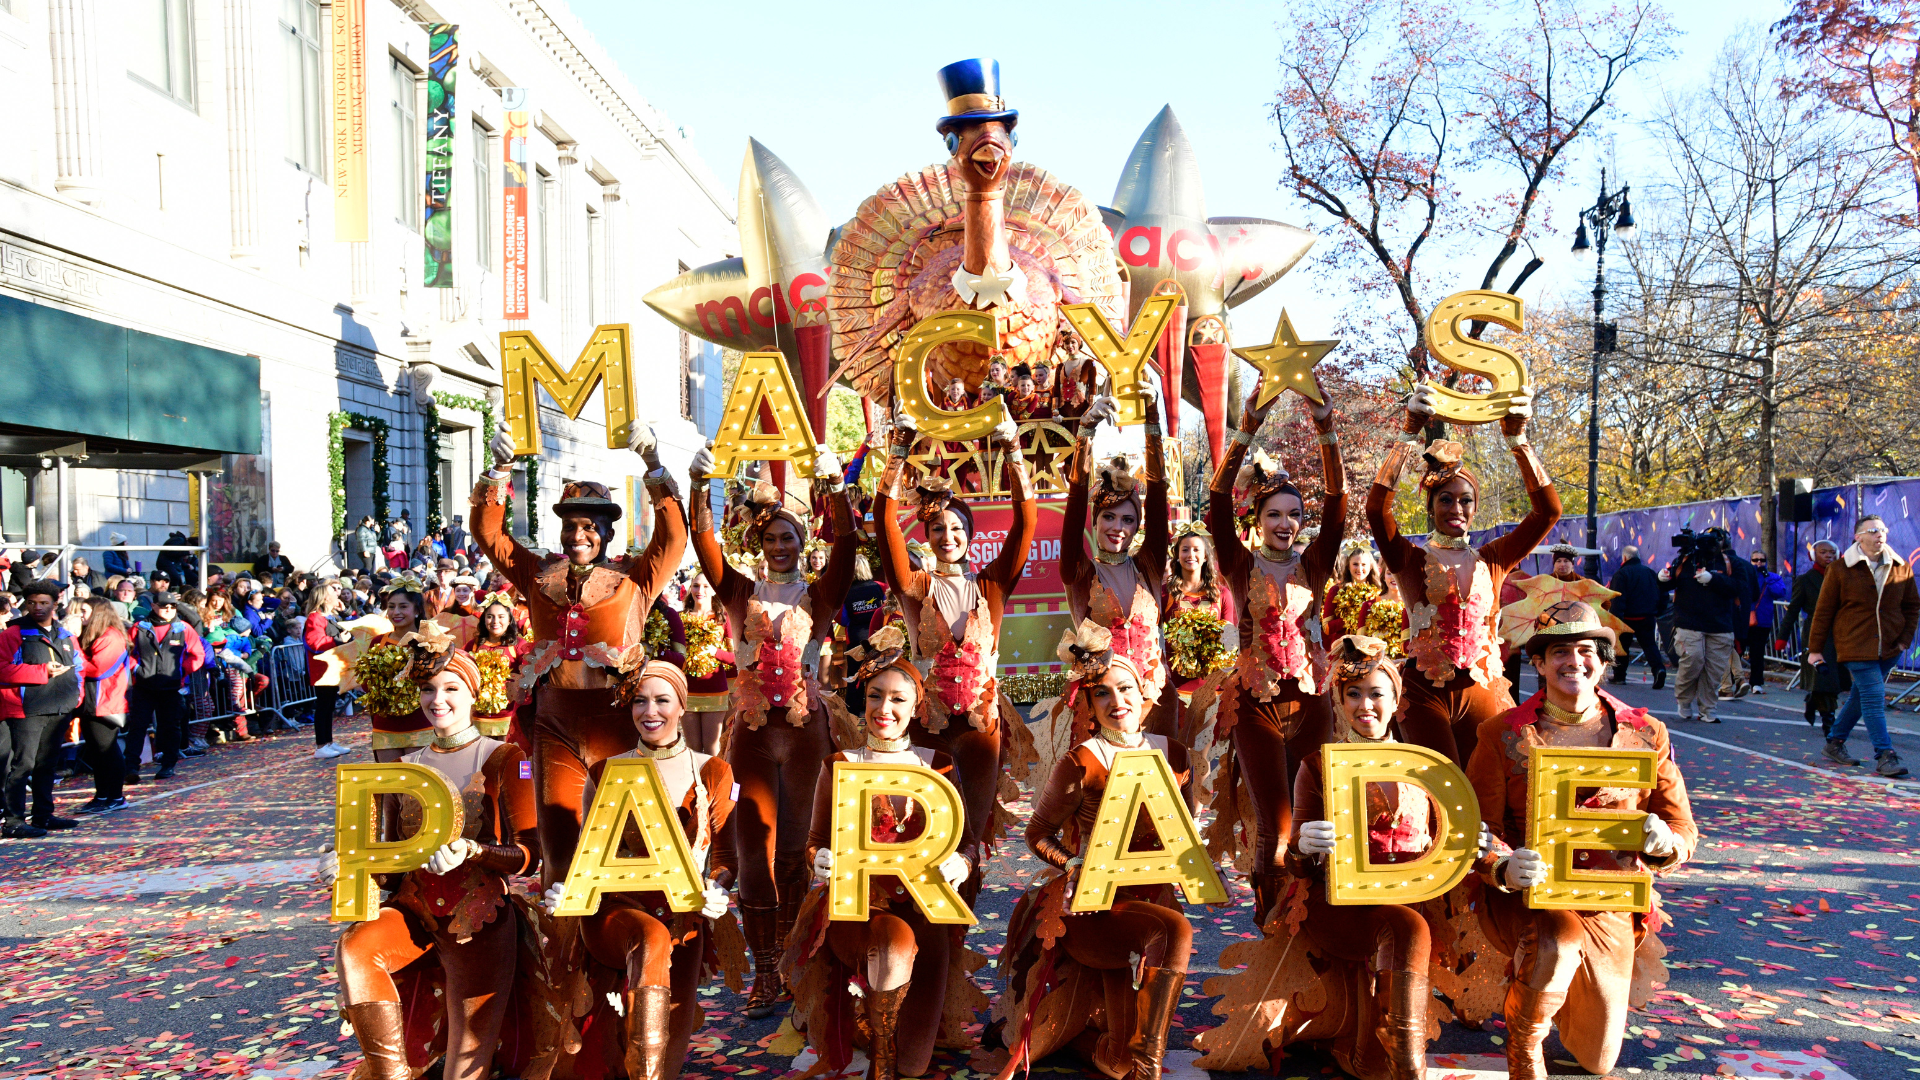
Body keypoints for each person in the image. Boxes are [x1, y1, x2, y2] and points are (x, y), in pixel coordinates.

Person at [1468, 601, 1696, 1080]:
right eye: (1560, 652)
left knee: (1597, 1059)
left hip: (1607, 899)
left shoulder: (1646, 733)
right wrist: (1504, 866)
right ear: (1538, 663)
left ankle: (1552, 993)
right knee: (1557, 940)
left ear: (1604, 660)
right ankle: (1525, 1044)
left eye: (1587, 650)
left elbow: (1682, 828)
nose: (1575, 661)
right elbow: (1476, 832)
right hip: (1530, 896)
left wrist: (1664, 842)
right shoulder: (1500, 734)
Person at [475, 418, 687, 920]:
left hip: (618, 720)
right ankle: (564, 951)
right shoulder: (537, 574)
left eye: (590, 526)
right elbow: (489, 534)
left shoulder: (636, 577)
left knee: (625, 837)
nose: (578, 535)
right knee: (560, 838)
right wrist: (498, 469)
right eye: (570, 526)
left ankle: (629, 931)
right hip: (555, 721)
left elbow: (674, 539)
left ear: (608, 532)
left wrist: (654, 466)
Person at [316, 637, 540, 1080]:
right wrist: (347, 866)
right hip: (413, 913)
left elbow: (530, 857)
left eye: (451, 688)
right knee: (356, 947)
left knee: (465, 1066)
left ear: (474, 694)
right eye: (428, 689)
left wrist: (475, 851)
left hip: (480, 921)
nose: (438, 700)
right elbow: (391, 866)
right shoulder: (403, 765)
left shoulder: (507, 758)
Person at [685, 440, 854, 1017]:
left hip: (807, 734)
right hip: (753, 737)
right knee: (754, 850)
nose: (780, 547)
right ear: (760, 545)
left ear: (802, 544)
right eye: (772, 539)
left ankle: (792, 961)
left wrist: (834, 488)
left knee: (797, 850)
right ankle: (764, 970)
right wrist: (698, 485)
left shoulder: (820, 595)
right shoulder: (739, 593)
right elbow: (705, 546)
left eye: (789, 538)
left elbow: (848, 547)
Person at [996, 633, 1194, 1080]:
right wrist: (1073, 864)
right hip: (1096, 907)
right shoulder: (1081, 760)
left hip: (1155, 897)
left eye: (1124, 688)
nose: (1116, 701)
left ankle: (1099, 1043)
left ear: (1143, 691)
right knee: (1172, 932)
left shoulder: (1175, 753)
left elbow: (1184, 831)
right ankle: (1138, 1064)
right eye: (1102, 693)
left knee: (1121, 1058)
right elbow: (1037, 833)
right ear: (1088, 703)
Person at [787, 627, 975, 1080]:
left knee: (917, 1065)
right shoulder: (839, 765)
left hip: (924, 909)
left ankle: (877, 1026)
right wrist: (819, 858)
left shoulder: (938, 764)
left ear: (916, 707)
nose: (884, 709)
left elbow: (967, 840)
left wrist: (963, 861)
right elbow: (814, 839)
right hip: (860, 910)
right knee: (891, 948)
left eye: (897, 699)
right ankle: (878, 1055)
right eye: (875, 696)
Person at [538, 658, 736, 1080]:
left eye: (662, 700)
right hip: (616, 912)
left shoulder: (713, 770)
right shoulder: (605, 770)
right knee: (648, 943)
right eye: (639, 701)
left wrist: (717, 888)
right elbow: (587, 852)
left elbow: (725, 859)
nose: (650, 712)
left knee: (664, 1066)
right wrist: (569, 889)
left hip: (683, 918)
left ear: (683, 706)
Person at [873, 408, 1034, 905]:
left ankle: (960, 933)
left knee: (969, 842)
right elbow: (883, 523)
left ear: (970, 534)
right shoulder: (914, 586)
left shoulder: (993, 584)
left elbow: (1026, 523)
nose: (948, 537)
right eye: (938, 529)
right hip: (928, 726)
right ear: (926, 536)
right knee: (925, 832)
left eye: (958, 528)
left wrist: (1012, 450)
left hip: (982, 730)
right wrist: (899, 449)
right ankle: (923, 924)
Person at [1205, 386, 1344, 923]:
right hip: (1254, 707)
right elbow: (1218, 499)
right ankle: (1271, 922)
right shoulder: (1239, 566)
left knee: (1315, 817)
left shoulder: (1315, 564)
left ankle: (1312, 915)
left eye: (1294, 515)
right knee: (1277, 826)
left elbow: (1338, 502)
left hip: (1312, 704)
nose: (1285, 523)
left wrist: (1326, 427)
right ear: (1257, 519)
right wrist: (1246, 425)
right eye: (1274, 514)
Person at [1367, 385, 1555, 765]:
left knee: (1484, 789)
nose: (1456, 508)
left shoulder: (1495, 558)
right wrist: (1408, 432)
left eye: (1465, 500)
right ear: (1431, 507)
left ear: (1475, 507)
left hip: (1483, 690)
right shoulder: (1409, 559)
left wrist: (1517, 439)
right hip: (1423, 695)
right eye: (1446, 499)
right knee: (1442, 788)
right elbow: (1376, 510)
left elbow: (1547, 512)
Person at [1284, 635, 1439, 1080]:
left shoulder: (1427, 767)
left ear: (1396, 700)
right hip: (1339, 906)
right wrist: (1303, 847)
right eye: (1353, 693)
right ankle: (1408, 1067)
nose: (1364, 705)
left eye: (1376, 693)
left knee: (1371, 1066)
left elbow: (1452, 841)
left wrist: (1492, 858)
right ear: (1339, 700)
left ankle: (1377, 1047)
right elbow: (1296, 862)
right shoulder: (1317, 764)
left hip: (1408, 898)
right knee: (1405, 927)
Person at [1058, 389, 1171, 732]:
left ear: (1137, 526)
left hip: (1156, 702)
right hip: (1104, 707)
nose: (1118, 527)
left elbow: (1159, 492)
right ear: (1095, 521)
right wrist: (1085, 434)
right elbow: (1075, 501)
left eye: (1128, 519)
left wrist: (1152, 419)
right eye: (1109, 517)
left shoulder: (1148, 566)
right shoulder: (1080, 571)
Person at [1807, 515, 1917, 776]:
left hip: (1890, 646)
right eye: (1873, 530)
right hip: (1854, 643)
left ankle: (1835, 742)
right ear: (1859, 537)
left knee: (1861, 695)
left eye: (1883, 529)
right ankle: (1885, 754)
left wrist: (1904, 640)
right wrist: (1815, 649)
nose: (1880, 534)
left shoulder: (1901, 566)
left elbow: (1912, 607)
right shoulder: (1840, 569)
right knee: (1874, 696)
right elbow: (1823, 611)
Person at [0, 580, 82, 837]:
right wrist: (41, 671)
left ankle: (43, 815)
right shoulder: (13, 634)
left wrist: (75, 697)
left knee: (46, 764)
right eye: (32, 603)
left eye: (44, 603)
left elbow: (79, 666)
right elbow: (2, 668)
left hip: (58, 706)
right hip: (27, 709)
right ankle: (13, 821)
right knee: (22, 765)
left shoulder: (65, 634)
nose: (37, 607)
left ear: (55, 604)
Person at [348, 578, 435, 762]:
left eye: (403, 606)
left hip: (421, 722)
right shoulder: (378, 642)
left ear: (417, 610)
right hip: (385, 725)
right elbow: (367, 683)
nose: (396, 612)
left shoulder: (429, 642)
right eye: (391, 606)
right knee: (389, 779)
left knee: (420, 779)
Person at [1660, 528, 1741, 724]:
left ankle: (1708, 709)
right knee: (1693, 660)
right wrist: (1661, 578)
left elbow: (1741, 588)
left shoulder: (1732, 563)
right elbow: (1670, 582)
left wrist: (1714, 579)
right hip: (1689, 623)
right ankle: (1684, 700)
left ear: (1723, 543)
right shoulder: (1686, 560)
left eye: (1714, 541)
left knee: (1713, 672)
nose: (1708, 546)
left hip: (1720, 625)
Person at [127, 593, 207, 782]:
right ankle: (130, 767)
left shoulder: (183, 628)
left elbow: (198, 655)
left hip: (171, 687)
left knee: (170, 727)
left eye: (173, 606)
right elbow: (126, 652)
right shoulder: (139, 627)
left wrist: (181, 671)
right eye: (164, 606)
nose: (169, 610)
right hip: (144, 687)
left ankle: (168, 765)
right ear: (154, 606)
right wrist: (137, 669)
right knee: (137, 727)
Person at [1161, 522, 1236, 704]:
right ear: (1177, 555)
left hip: (1214, 688)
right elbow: (1156, 638)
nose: (1190, 555)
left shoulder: (1222, 594)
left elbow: (1230, 640)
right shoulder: (1164, 593)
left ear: (1205, 557)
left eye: (1196, 550)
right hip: (1175, 686)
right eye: (1185, 550)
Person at [1779, 540, 1849, 733]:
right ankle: (1829, 724)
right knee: (1824, 678)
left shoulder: (1844, 577)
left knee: (1835, 681)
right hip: (1817, 634)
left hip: (1841, 634)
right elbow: (1793, 611)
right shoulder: (1805, 580)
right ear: (1813, 555)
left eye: (1832, 552)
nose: (1828, 556)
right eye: (1823, 552)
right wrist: (1782, 637)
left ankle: (1813, 700)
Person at [74, 596, 133, 814]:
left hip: (106, 701)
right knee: (97, 752)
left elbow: (97, 670)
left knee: (107, 750)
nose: (81, 615)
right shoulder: (96, 636)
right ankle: (102, 795)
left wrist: (75, 650)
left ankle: (115, 796)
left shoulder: (110, 637)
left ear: (98, 613)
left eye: (85, 611)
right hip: (93, 701)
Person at [678, 574, 734, 754]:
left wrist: (715, 652)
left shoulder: (723, 619)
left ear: (714, 590)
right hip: (687, 690)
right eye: (696, 585)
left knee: (712, 748)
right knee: (692, 748)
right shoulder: (680, 618)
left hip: (714, 692)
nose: (700, 590)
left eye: (705, 586)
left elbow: (736, 657)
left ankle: (714, 774)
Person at [466, 589, 531, 741]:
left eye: (501, 616)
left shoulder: (519, 645)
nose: (495, 621)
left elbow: (529, 678)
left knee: (509, 754)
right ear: (483, 620)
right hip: (478, 718)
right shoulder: (474, 645)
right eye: (490, 616)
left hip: (510, 717)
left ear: (509, 620)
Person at [1322, 539, 1406, 652]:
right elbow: (1326, 628)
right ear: (1348, 566)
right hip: (1343, 650)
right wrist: (1352, 618)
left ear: (1371, 566)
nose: (1360, 569)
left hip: (1372, 651)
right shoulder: (1336, 590)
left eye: (1364, 565)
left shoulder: (1379, 591)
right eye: (1355, 564)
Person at [304, 579, 353, 759]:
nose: (337, 594)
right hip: (322, 669)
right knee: (323, 706)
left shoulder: (329, 616)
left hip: (333, 667)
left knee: (329, 705)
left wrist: (345, 611)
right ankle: (321, 744)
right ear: (325, 598)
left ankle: (328, 741)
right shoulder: (314, 618)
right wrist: (338, 640)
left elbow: (350, 624)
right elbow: (315, 643)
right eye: (333, 592)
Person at [1607, 544, 1666, 690]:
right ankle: (1659, 669)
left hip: (1627, 618)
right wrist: (1658, 611)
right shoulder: (1650, 573)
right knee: (1650, 645)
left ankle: (1619, 676)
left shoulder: (1621, 574)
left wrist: (1616, 619)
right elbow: (1662, 592)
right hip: (1647, 617)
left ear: (1624, 558)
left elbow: (1617, 599)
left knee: (1622, 647)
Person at [1744, 551, 1790, 695]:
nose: (1759, 563)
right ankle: (1733, 680)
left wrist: (1767, 578)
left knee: (1757, 653)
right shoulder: (1745, 575)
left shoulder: (1773, 577)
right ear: (1750, 561)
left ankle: (1756, 682)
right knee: (1736, 650)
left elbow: (1780, 593)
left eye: (1762, 560)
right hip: (1743, 619)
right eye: (1755, 560)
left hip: (1762, 621)